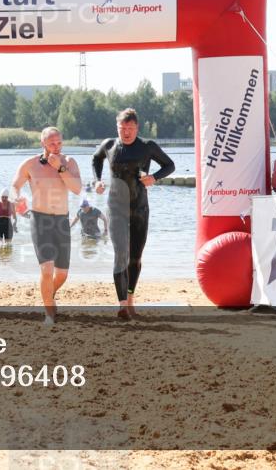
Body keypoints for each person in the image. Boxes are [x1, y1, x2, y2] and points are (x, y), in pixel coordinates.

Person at [92, 108, 175, 318]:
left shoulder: (147, 147)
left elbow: (169, 165)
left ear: (137, 128)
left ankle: (130, 298)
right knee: (121, 255)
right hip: (116, 208)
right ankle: (122, 305)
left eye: (130, 128)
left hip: (139, 208)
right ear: (117, 128)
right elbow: (96, 159)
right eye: (122, 128)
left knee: (135, 258)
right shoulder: (109, 145)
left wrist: (154, 177)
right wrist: (97, 181)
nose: (126, 132)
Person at [10, 126, 82, 325]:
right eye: (52, 143)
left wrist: (60, 167)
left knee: (62, 274)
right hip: (40, 220)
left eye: (59, 142)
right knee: (47, 270)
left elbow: (77, 189)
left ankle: (48, 296)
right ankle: (49, 313)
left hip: (61, 221)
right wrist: (17, 199)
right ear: (43, 143)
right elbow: (14, 186)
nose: (56, 146)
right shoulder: (30, 164)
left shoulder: (69, 162)